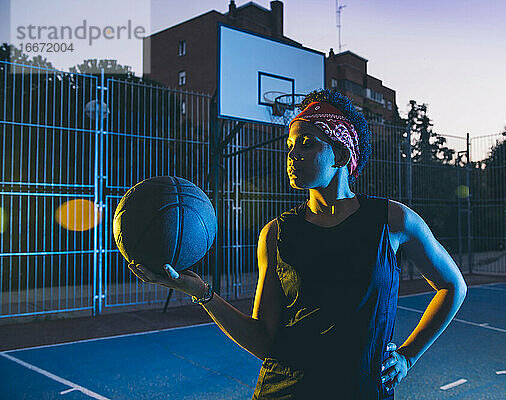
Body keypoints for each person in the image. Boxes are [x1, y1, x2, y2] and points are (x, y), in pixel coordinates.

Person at [129, 89, 467, 399]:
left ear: (339, 152)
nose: (292, 155)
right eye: (289, 146)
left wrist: (408, 356)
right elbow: (264, 340)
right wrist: (202, 293)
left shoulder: (392, 220)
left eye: (306, 143)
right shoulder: (277, 233)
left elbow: (453, 287)